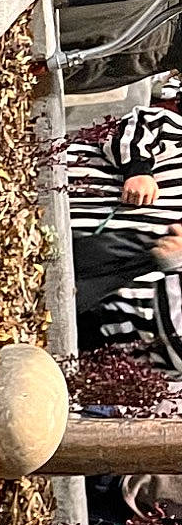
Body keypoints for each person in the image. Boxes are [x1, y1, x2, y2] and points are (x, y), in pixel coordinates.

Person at [68, 106, 182, 368]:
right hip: (35, 183)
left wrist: (173, 267)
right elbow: (144, 120)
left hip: (45, 278)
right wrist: (139, 168)